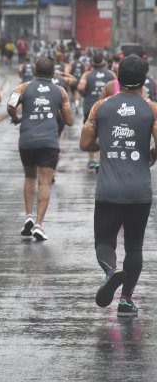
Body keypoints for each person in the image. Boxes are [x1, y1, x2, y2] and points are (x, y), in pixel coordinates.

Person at [79, 54, 157, 317]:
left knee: (104, 241)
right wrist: (151, 154)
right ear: (144, 78)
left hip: (108, 192)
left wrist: (107, 146)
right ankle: (125, 300)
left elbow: (85, 144)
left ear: (118, 77)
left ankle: (111, 272)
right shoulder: (152, 109)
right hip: (139, 193)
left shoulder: (101, 106)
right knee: (134, 246)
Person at [7, 57, 74, 240]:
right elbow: (69, 121)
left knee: (29, 177)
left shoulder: (23, 88)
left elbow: (10, 106)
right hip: (49, 142)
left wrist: (16, 118)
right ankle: (38, 224)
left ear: (34, 71)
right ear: (53, 74)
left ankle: (28, 216)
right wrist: (55, 110)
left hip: (27, 141)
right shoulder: (60, 91)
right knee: (45, 183)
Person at [78, 52, 115, 170]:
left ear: (92, 64)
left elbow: (80, 88)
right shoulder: (111, 74)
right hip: (107, 108)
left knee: (91, 132)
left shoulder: (87, 74)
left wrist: (83, 94)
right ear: (104, 63)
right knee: (103, 133)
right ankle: (100, 160)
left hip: (90, 107)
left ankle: (91, 160)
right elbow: (118, 88)